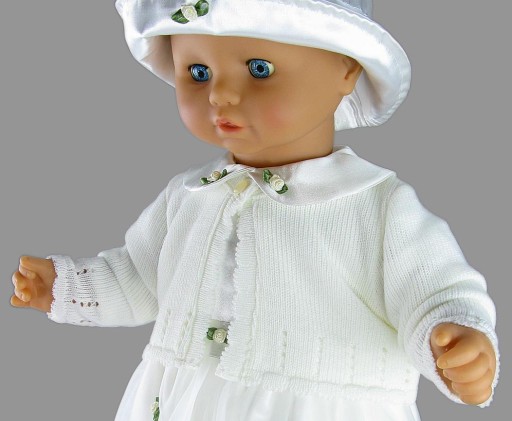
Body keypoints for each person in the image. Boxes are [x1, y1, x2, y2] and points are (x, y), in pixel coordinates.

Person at [10, 1, 499, 420]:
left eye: (259, 68)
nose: (219, 94)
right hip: (182, 400)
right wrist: (68, 287)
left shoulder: (377, 206)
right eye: (198, 73)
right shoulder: (188, 195)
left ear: (345, 69)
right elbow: (139, 276)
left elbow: (433, 292)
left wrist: (456, 343)